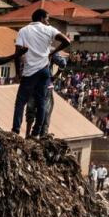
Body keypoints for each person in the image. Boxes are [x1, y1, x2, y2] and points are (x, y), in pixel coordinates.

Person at [12, 9, 70, 138]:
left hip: (29, 72)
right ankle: (36, 132)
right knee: (41, 102)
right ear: (42, 18)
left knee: (21, 102)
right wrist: (52, 52)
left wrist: (17, 73)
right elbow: (67, 42)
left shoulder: (23, 31)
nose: (48, 21)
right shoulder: (50, 30)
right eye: (47, 18)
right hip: (44, 70)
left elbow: (17, 54)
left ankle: (15, 130)